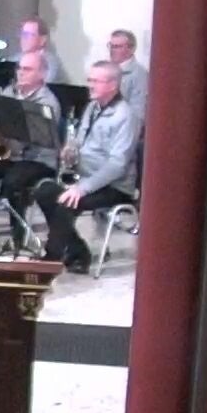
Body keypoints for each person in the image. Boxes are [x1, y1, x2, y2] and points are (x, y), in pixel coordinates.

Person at [31, 61, 139, 272]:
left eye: (96, 81)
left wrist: (83, 188)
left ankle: (51, 258)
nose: (90, 85)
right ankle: (78, 252)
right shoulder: (92, 107)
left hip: (114, 186)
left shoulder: (126, 116)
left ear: (112, 85)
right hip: (86, 178)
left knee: (65, 204)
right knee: (44, 192)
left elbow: (117, 165)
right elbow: (81, 140)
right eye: (90, 80)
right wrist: (71, 149)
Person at [0, 49, 62, 252]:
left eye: (27, 69)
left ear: (42, 74)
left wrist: (7, 131)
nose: (21, 72)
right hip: (11, 154)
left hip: (37, 159)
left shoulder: (47, 102)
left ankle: (18, 236)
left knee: (14, 181)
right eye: (19, 68)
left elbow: (34, 139)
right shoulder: (9, 92)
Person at [107, 29, 147, 119]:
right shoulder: (106, 69)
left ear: (131, 49)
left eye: (117, 47)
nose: (112, 50)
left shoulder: (139, 74)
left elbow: (137, 114)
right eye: (110, 46)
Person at [17, 17, 63, 83]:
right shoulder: (15, 59)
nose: (23, 38)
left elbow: (44, 85)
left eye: (28, 35)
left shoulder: (50, 63)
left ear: (42, 40)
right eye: (22, 34)